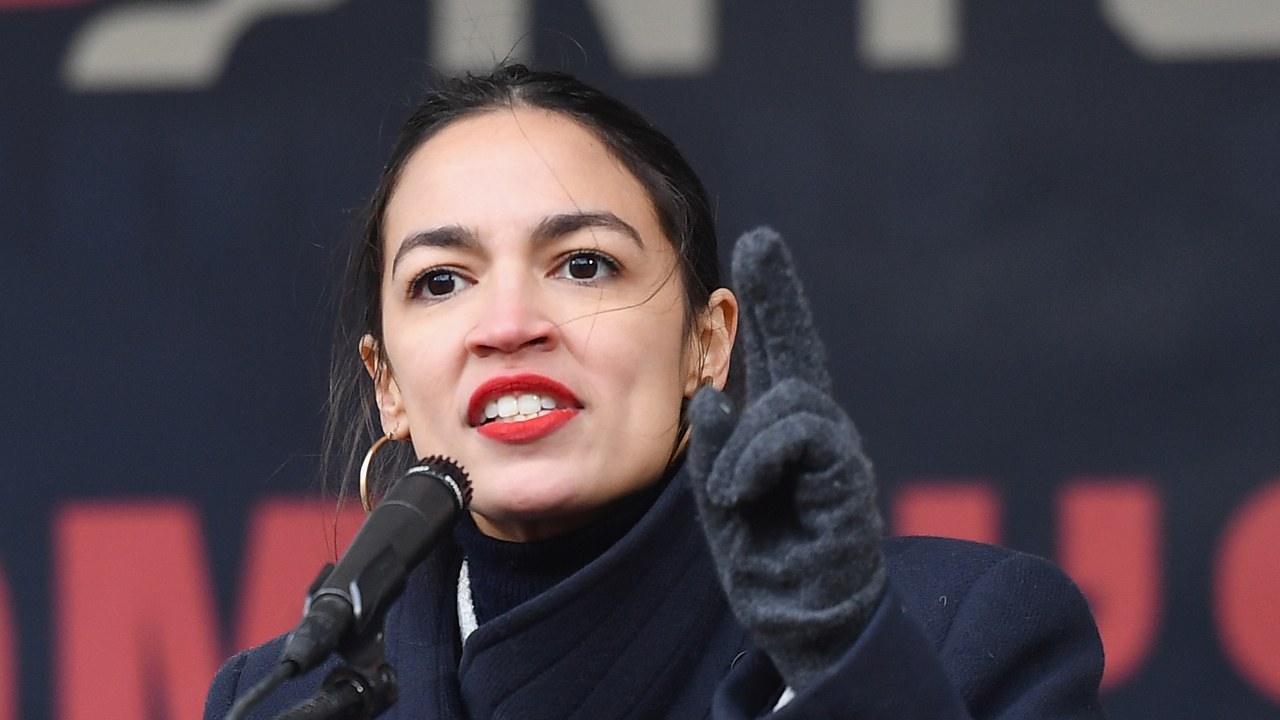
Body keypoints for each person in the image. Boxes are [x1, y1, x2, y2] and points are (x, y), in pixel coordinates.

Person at [204, 64, 1106, 719]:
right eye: (442, 281)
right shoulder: (282, 701)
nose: (508, 324)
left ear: (705, 345)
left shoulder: (963, 634)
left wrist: (848, 673)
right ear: (388, 385)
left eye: (583, 264)